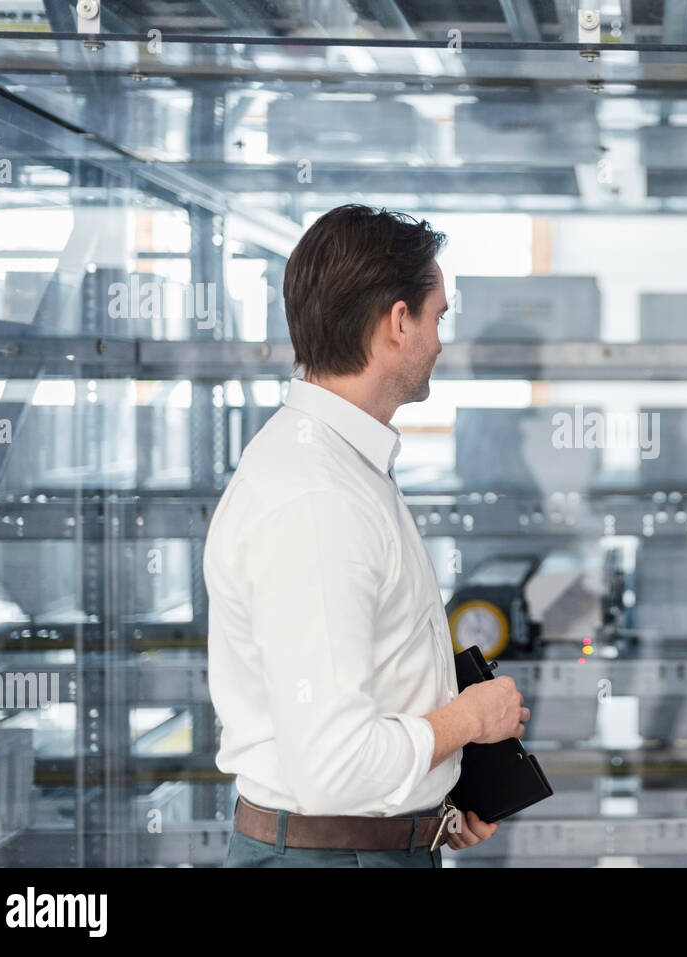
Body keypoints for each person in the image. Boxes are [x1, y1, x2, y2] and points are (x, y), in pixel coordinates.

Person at [205, 204, 528, 867]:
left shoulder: (340, 464)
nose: (440, 340)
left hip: (365, 844)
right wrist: (471, 717)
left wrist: (430, 803)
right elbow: (335, 765)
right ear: (398, 322)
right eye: (438, 316)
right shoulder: (317, 497)